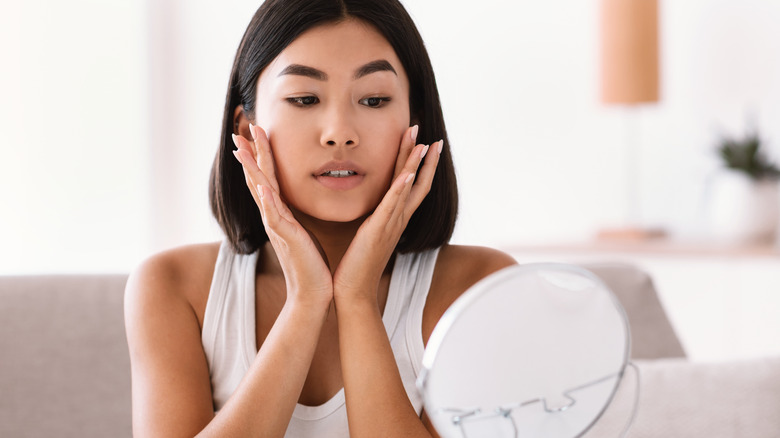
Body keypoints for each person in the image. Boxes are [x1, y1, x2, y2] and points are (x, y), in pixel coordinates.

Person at [124, 0, 516, 436]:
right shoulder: (173, 288)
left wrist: (356, 298)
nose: (339, 132)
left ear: (415, 123)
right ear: (245, 130)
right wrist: (306, 301)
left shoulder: (483, 288)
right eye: (304, 99)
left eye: (373, 99)